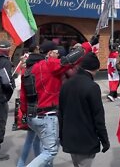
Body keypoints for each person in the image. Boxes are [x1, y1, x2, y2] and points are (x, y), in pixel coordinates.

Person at [25, 35, 97, 167]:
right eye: (56, 52)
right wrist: (88, 45)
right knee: (50, 151)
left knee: (43, 148)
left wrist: (23, 115)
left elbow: (25, 96)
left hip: (32, 116)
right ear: (49, 53)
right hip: (46, 115)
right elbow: (69, 61)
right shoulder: (49, 64)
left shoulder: (30, 68)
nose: (58, 54)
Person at [59, 53, 109, 167]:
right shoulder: (92, 87)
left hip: (70, 137)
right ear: (95, 69)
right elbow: (98, 118)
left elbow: (61, 113)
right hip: (86, 140)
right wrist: (104, 140)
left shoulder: (66, 85)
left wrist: (61, 136)